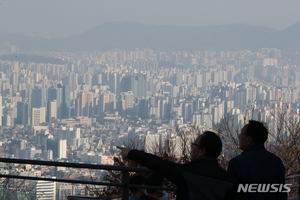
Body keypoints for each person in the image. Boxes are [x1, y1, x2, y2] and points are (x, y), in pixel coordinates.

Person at [118, 131, 236, 200]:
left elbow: (158, 164)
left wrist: (131, 153)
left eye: (194, 145)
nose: (192, 148)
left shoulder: (186, 173)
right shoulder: (228, 180)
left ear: (202, 151)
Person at [228, 120, 287, 200]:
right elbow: (282, 194)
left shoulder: (237, 163)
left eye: (241, 134)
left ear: (249, 140)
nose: (239, 137)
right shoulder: (276, 162)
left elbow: (231, 195)